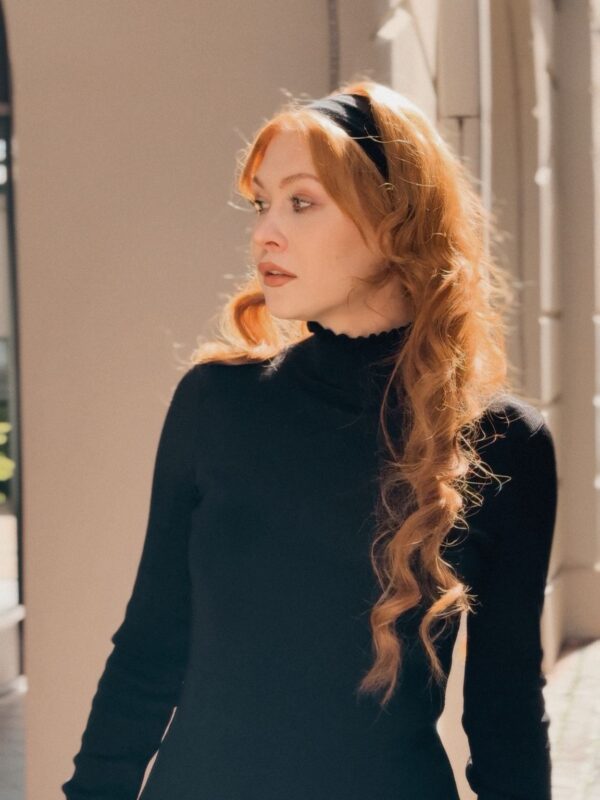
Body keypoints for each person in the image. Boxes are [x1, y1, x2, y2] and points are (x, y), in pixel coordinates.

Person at [61, 81, 558, 800]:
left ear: (394, 219)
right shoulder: (217, 403)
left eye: (302, 202)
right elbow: (149, 646)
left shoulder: (501, 441)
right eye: (261, 203)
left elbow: (506, 706)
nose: (265, 232)